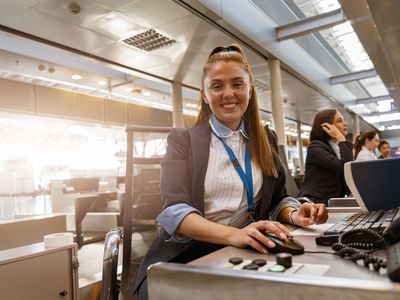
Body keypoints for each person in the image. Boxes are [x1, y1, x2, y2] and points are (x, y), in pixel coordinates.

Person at [132, 44, 328, 299]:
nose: (228, 94)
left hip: (244, 250)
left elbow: (278, 197)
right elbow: (174, 211)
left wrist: (294, 215)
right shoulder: (183, 139)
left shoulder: (265, 138)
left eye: (237, 84)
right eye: (217, 86)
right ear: (204, 94)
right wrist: (235, 235)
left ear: (249, 89)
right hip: (184, 256)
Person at [297, 109, 353, 205]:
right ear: (326, 127)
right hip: (313, 205)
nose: (345, 124)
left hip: (330, 204)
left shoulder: (335, 147)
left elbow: (349, 174)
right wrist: (341, 139)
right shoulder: (315, 147)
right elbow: (345, 167)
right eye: (339, 121)